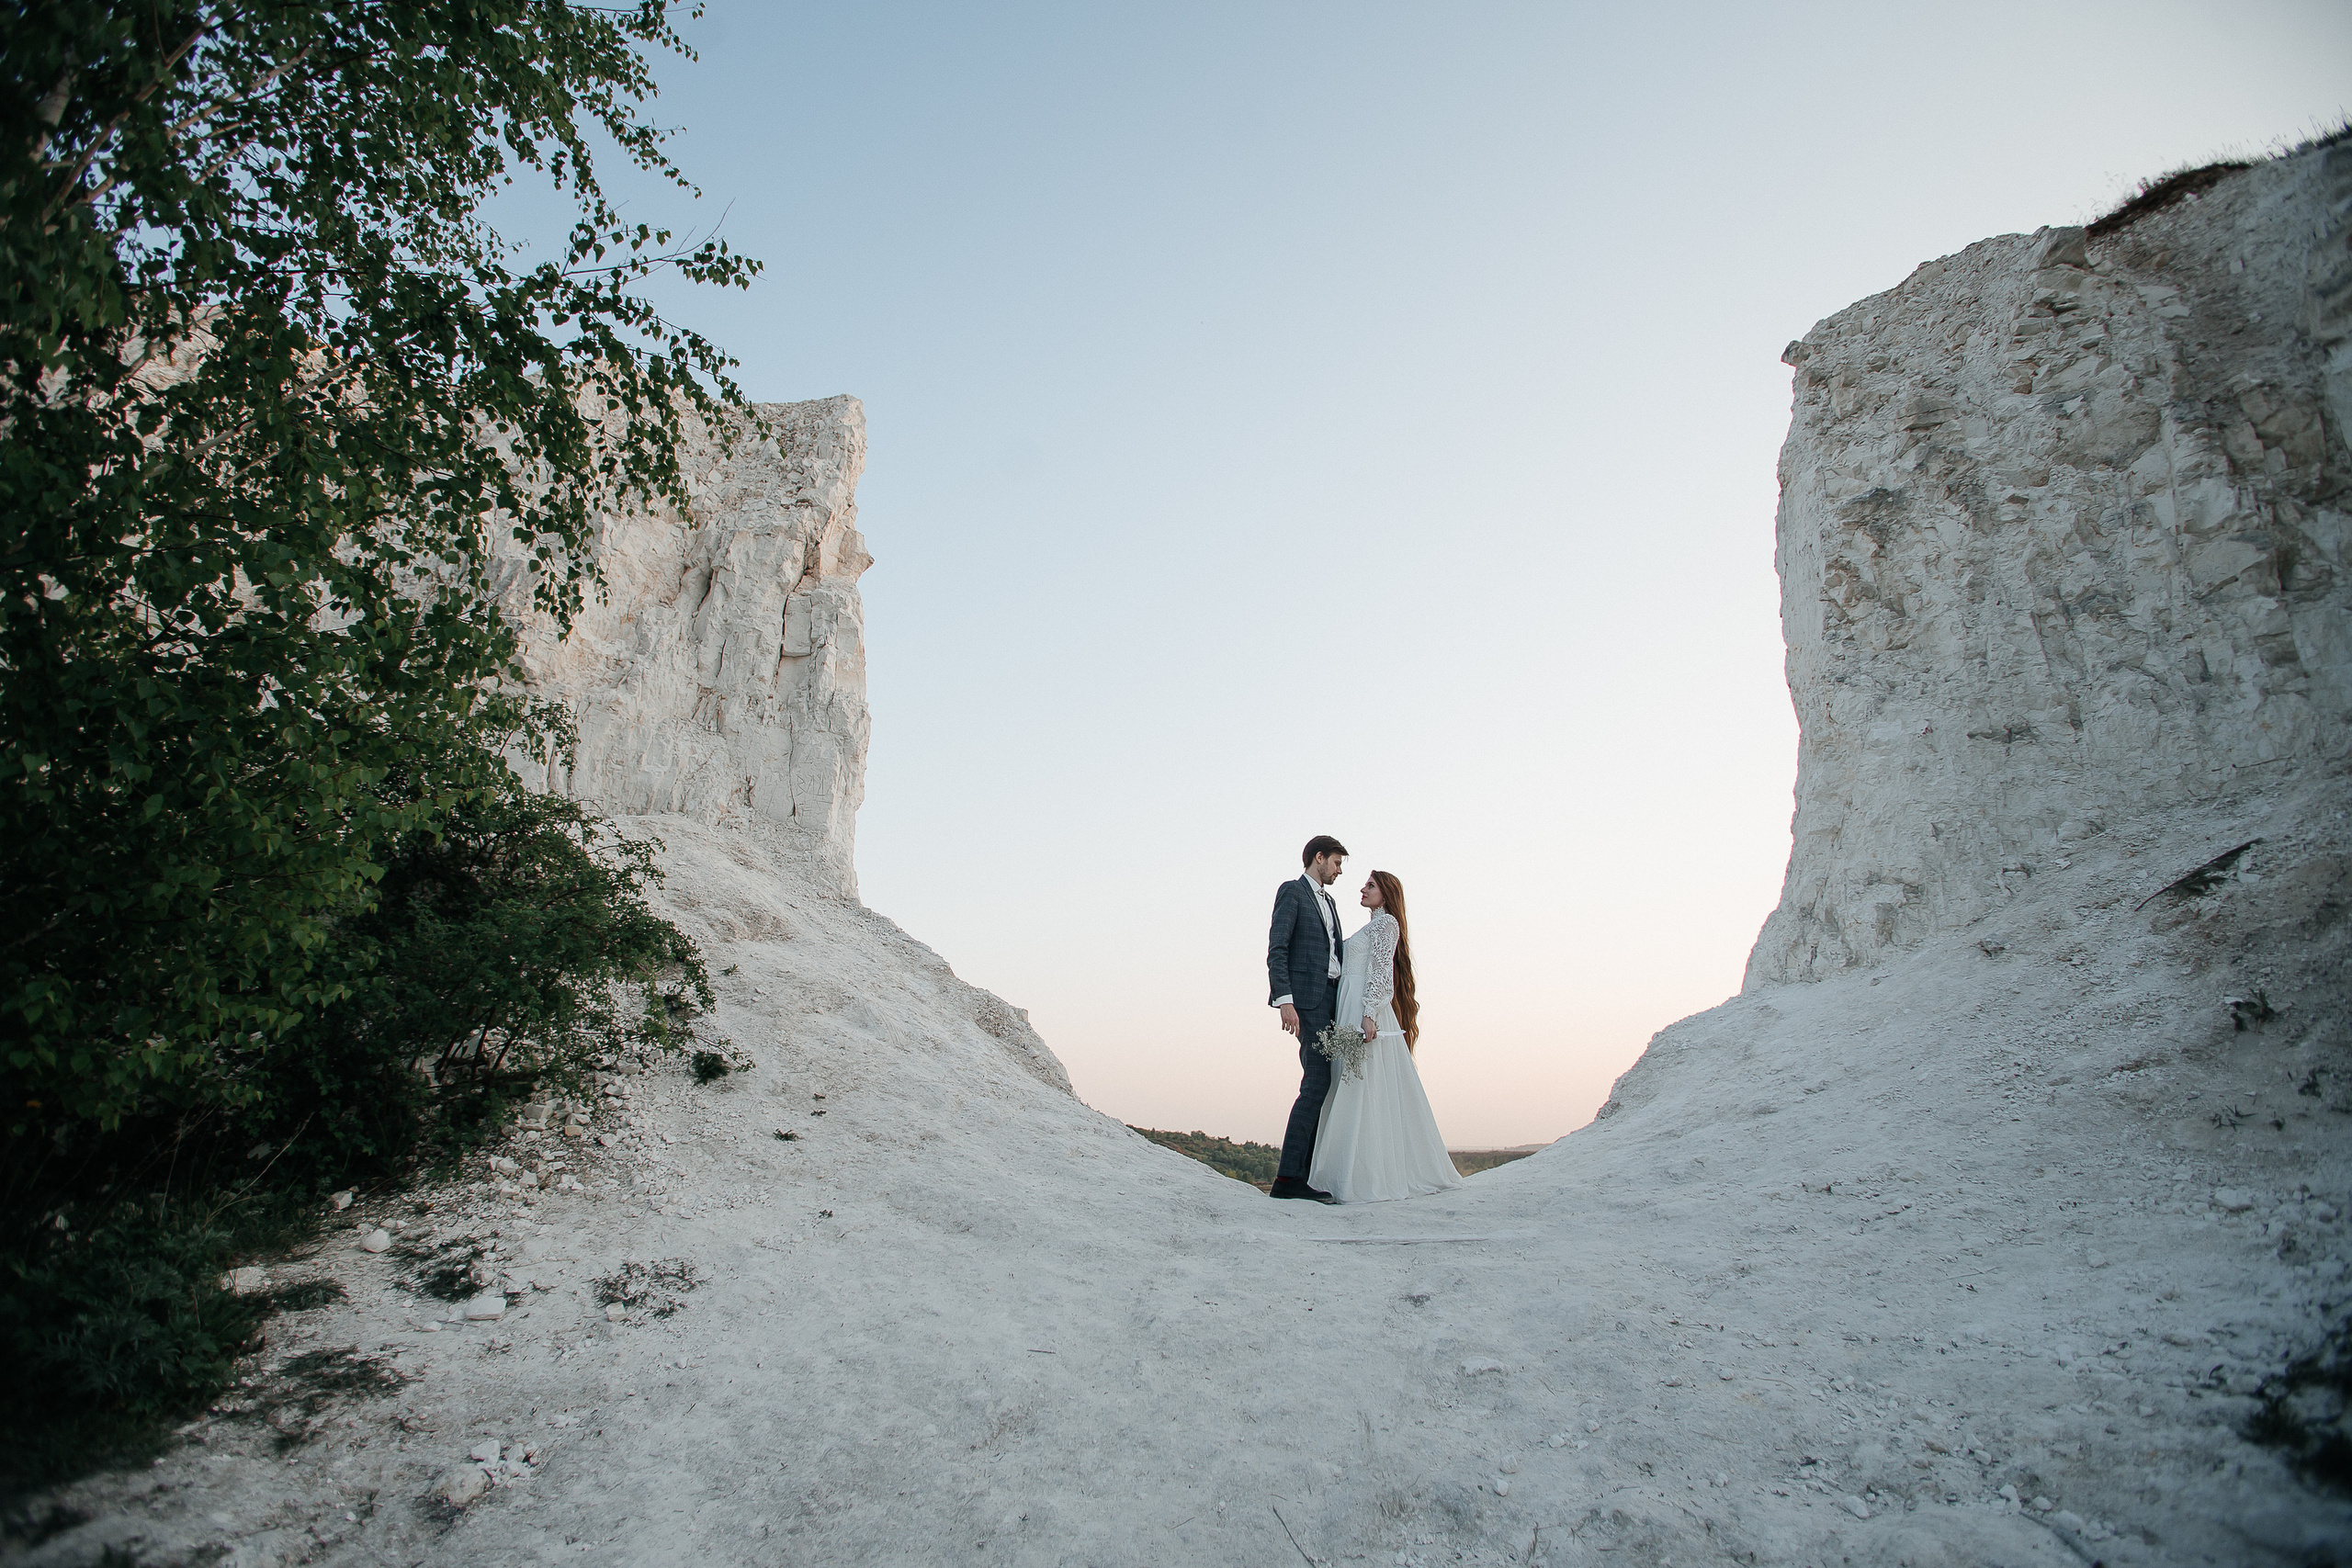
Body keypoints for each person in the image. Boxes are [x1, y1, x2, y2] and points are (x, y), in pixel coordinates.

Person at [1306, 870, 1464, 1203]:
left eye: (1371, 885)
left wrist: (1369, 1014)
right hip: (1348, 1005)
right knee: (1348, 1084)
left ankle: (1361, 1177)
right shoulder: (1372, 924)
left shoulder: (1386, 923)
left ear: (1386, 893)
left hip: (1362, 1009)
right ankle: (1343, 1172)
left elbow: (1381, 969)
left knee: (1361, 1087)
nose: (1363, 889)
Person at [1266, 835, 1348, 1202]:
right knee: (1316, 1080)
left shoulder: (1329, 902)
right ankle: (1287, 1179)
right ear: (1319, 858)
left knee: (1324, 1081)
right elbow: (1278, 947)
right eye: (1336, 863)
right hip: (1307, 1002)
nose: (1339, 870)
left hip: (1331, 1000)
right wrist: (1285, 1000)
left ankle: (1304, 1173)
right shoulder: (1292, 892)